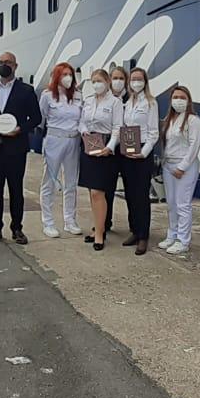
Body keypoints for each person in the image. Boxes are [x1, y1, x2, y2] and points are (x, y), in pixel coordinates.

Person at [0, 51, 42, 245]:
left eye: (8, 62)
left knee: (16, 189)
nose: (4, 65)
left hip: (16, 147)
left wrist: (20, 129)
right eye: (1, 62)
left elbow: (36, 118)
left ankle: (17, 228)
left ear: (15, 66)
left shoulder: (26, 91)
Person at [78, 68, 123, 251]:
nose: (97, 84)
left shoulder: (115, 102)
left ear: (107, 82)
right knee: (92, 192)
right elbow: (82, 121)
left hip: (106, 148)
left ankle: (99, 234)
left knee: (99, 192)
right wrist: (83, 132)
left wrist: (110, 147)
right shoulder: (88, 101)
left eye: (100, 81)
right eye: (94, 81)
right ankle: (98, 227)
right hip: (90, 145)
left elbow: (118, 127)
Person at [38, 62, 84, 238]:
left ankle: (70, 221)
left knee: (71, 183)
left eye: (70, 74)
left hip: (74, 140)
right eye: (64, 74)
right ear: (57, 76)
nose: (68, 78)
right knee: (49, 181)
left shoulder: (78, 96)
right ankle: (48, 223)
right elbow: (41, 119)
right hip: (54, 139)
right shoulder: (47, 96)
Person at [117, 67, 159, 255]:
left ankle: (143, 235)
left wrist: (144, 152)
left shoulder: (150, 103)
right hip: (127, 149)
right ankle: (134, 230)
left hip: (143, 151)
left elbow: (153, 133)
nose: (136, 82)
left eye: (139, 79)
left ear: (145, 82)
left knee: (141, 195)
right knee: (129, 193)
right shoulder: (127, 102)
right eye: (133, 79)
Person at [159, 84, 200, 255]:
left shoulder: (193, 120)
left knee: (182, 204)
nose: (178, 101)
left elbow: (194, 146)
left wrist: (182, 167)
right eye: (175, 97)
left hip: (185, 167)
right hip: (168, 166)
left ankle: (183, 240)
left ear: (189, 100)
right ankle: (172, 234)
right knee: (171, 203)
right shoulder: (169, 120)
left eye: (182, 98)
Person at [90, 63, 130, 243]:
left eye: (121, 78)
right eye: (115, 78)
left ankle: (136, 229)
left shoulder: (130, 98)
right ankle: (103, 224)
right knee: (103, 189)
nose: (117, 81)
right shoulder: (99, 98)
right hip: (105, 148)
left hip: (127, 148)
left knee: (130, 190)